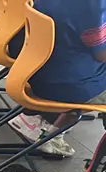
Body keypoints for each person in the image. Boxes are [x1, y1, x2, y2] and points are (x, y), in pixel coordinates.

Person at [8, 0, 106, 157]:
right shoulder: (95, 6)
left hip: (34, 73)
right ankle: (99, 169)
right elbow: (101, 54)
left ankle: (50, 131)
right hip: (68, 86)